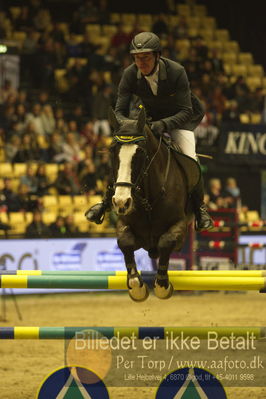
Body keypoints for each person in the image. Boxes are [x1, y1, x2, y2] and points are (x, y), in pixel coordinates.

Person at [86, 32, 213, 231]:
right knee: (122, 152)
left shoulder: (176, 71)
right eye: (137, 57)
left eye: (145, 57)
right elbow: (119, 110)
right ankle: (104, 203)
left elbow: (186, 110)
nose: (141, 62)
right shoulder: (130, 73)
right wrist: (129, 126)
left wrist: (163, 125)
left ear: (157, 56)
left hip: (182, 117)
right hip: (150, 116)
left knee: (190, 156)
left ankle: (200, 209)